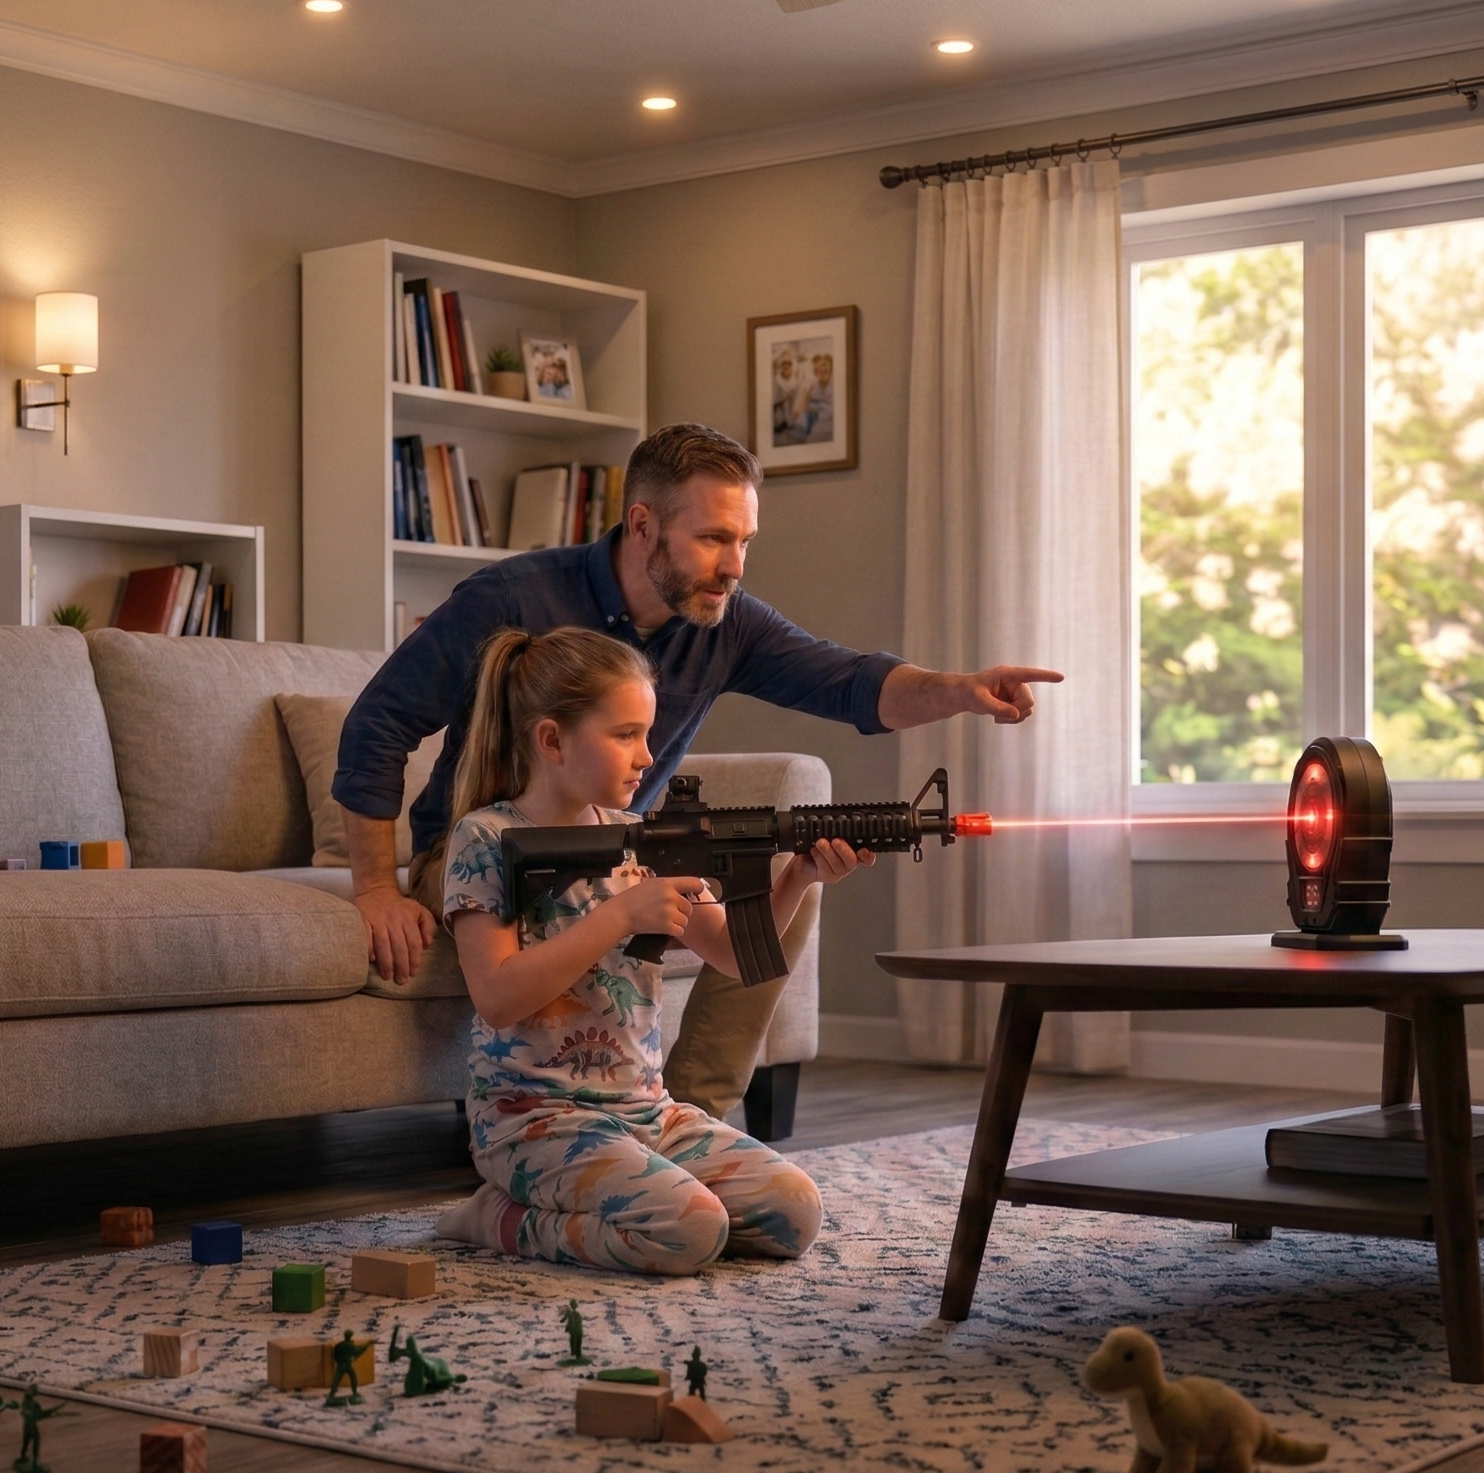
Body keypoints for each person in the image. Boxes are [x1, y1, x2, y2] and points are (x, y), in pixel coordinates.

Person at [334, 421, 1059, 1124]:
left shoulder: (727, 621)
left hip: (623, 843)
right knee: (601, 897)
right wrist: (375, 888)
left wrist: (961, 690)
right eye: (714, 538)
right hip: (481, 851)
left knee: (780, 878)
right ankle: (550, 1119)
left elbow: (849, 683)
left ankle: (686, 1114)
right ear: (643, 525)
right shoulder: (511, 598)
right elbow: (378, 722)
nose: (735, 565)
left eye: (744, 541)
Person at [433, 625, 867, 1274]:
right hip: (533, 1121)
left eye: (648, 734)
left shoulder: (642, 837)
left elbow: (735, 955)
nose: (647, 755)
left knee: (794, 1211)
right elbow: (497, 997)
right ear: (552, 740)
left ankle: (638, 1204)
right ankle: (495, 1216)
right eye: (625, 734)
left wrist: (799, 877)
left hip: (649, 1115)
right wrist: (620, 914)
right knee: (689, 1231)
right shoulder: (486, 838)